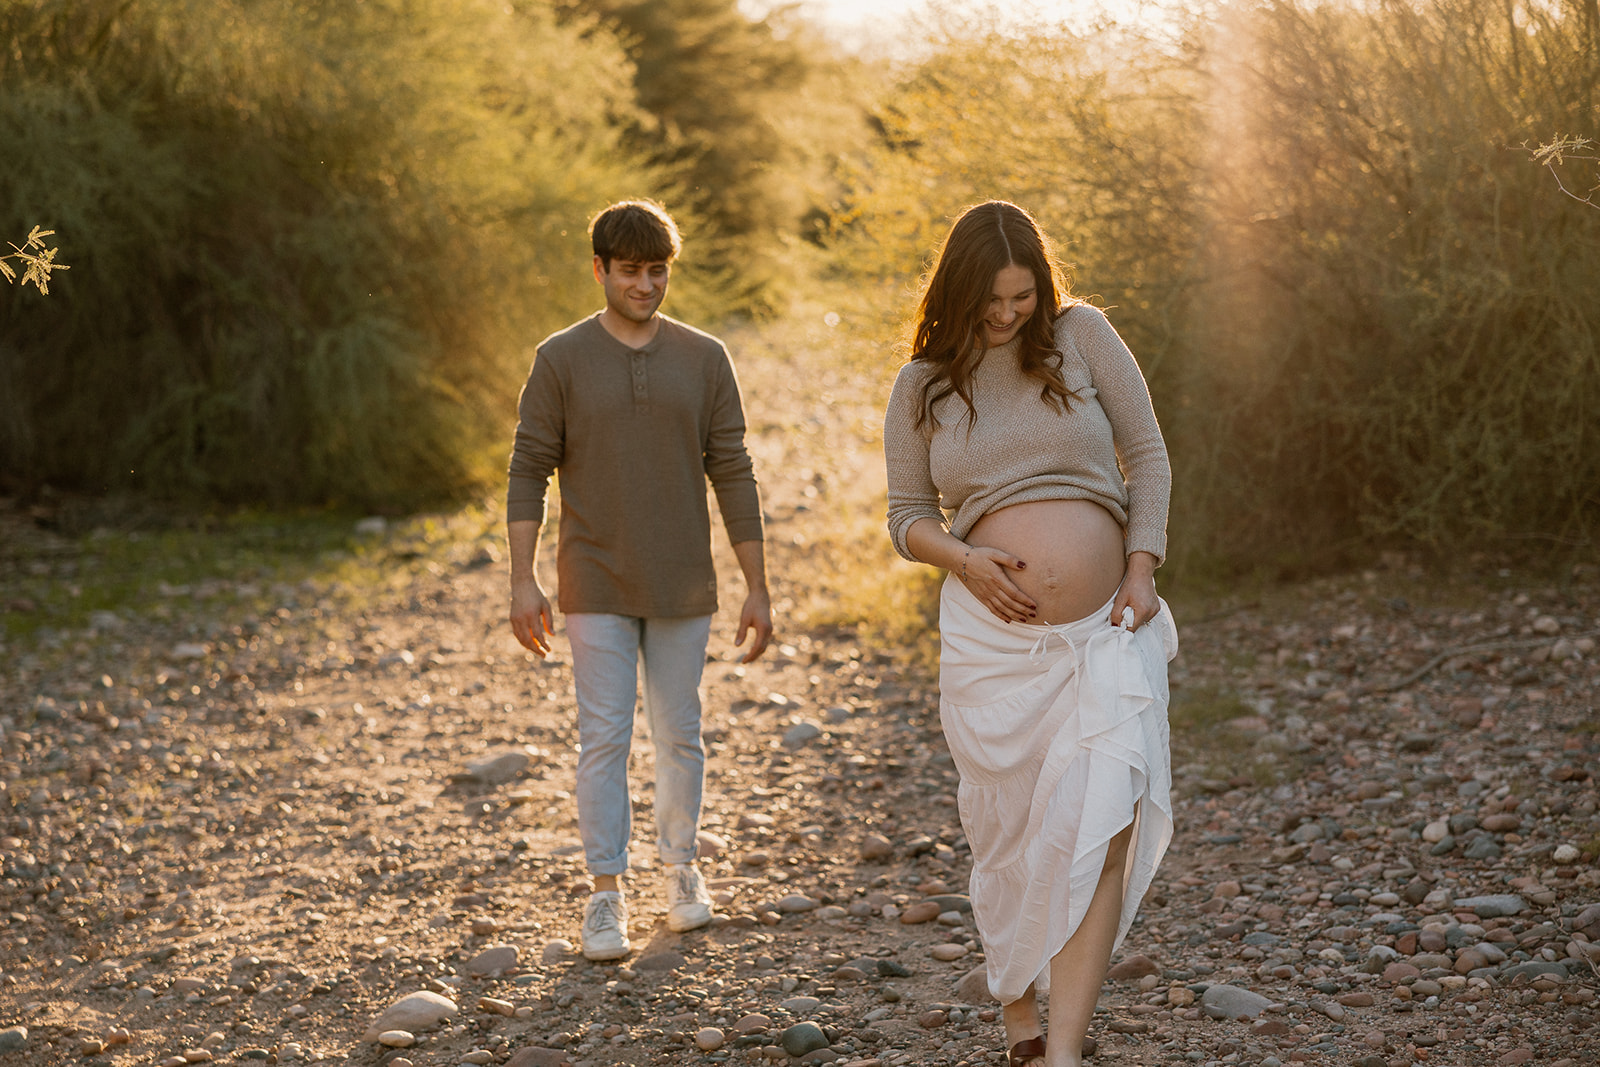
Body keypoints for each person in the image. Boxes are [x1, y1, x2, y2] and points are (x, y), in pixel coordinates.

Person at [883, 200, 1177, 1067]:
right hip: (992, 645)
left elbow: (1148, 454)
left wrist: (1140, 566)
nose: (1010, 313)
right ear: (961, 288)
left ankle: (1065, 1052)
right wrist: (965, 559)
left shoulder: (1081, 336)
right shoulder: (923, 382)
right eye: (994, 299)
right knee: (1006, 829)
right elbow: (906, 516)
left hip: (1105, 629)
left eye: (1024, 295)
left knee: (1106, 822)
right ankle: (1019, 1013)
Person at [506, 199, 772, 961]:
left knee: (680, 734)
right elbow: (529, 469)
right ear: (599, 269)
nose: (646, 285)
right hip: (593, 577)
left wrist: (757, 585)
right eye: (630, 271)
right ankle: (605, 893)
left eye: (657, 271)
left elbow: (733, 470)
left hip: (685, 581)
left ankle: (682, 869)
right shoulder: (559, 358)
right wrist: (522, 581)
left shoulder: (704, 357)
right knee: (605, 736)